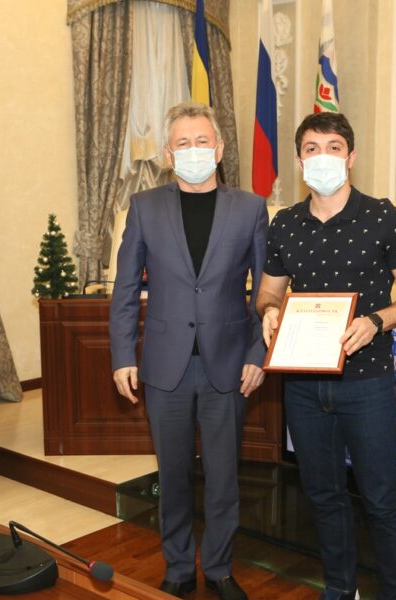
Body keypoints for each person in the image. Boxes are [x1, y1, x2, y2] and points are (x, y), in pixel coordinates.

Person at [256, 112, 396, 600]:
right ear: (300, 161)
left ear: (350, 157)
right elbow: (268, 292)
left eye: (333, 147)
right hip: (303, 385)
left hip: (367, 383)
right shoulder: (285, 224)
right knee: (323, 495)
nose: (323, 157)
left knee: (382, 499)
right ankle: (339, 587)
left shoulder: (384, 217)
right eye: (312, 149)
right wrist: (269, 311)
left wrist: (377, 320)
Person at [109, 101, 268, 600]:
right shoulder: (143, 207)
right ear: (168, 153)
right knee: (173, 476)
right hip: (164, 366)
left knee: (223, 478)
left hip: (229, 365)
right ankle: (178, 566)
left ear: (219, 149)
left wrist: (258, 354)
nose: (193, 150)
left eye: (202, 141)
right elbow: (125, 289)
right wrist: (122, 355)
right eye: (183, 143)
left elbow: (267, 293)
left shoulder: (251, 208)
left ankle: (219, 568)